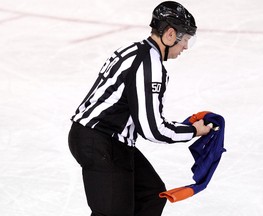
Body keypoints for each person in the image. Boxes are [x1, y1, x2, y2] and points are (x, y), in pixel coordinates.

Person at [68, 1, 211, 215]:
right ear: (170, 34)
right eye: (186, 39)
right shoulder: (150, 66)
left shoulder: (133, 50)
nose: (186, 47)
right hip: (101, 143)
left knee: (149, 195)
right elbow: (152, 129)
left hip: (102, 140)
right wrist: (193, 131)